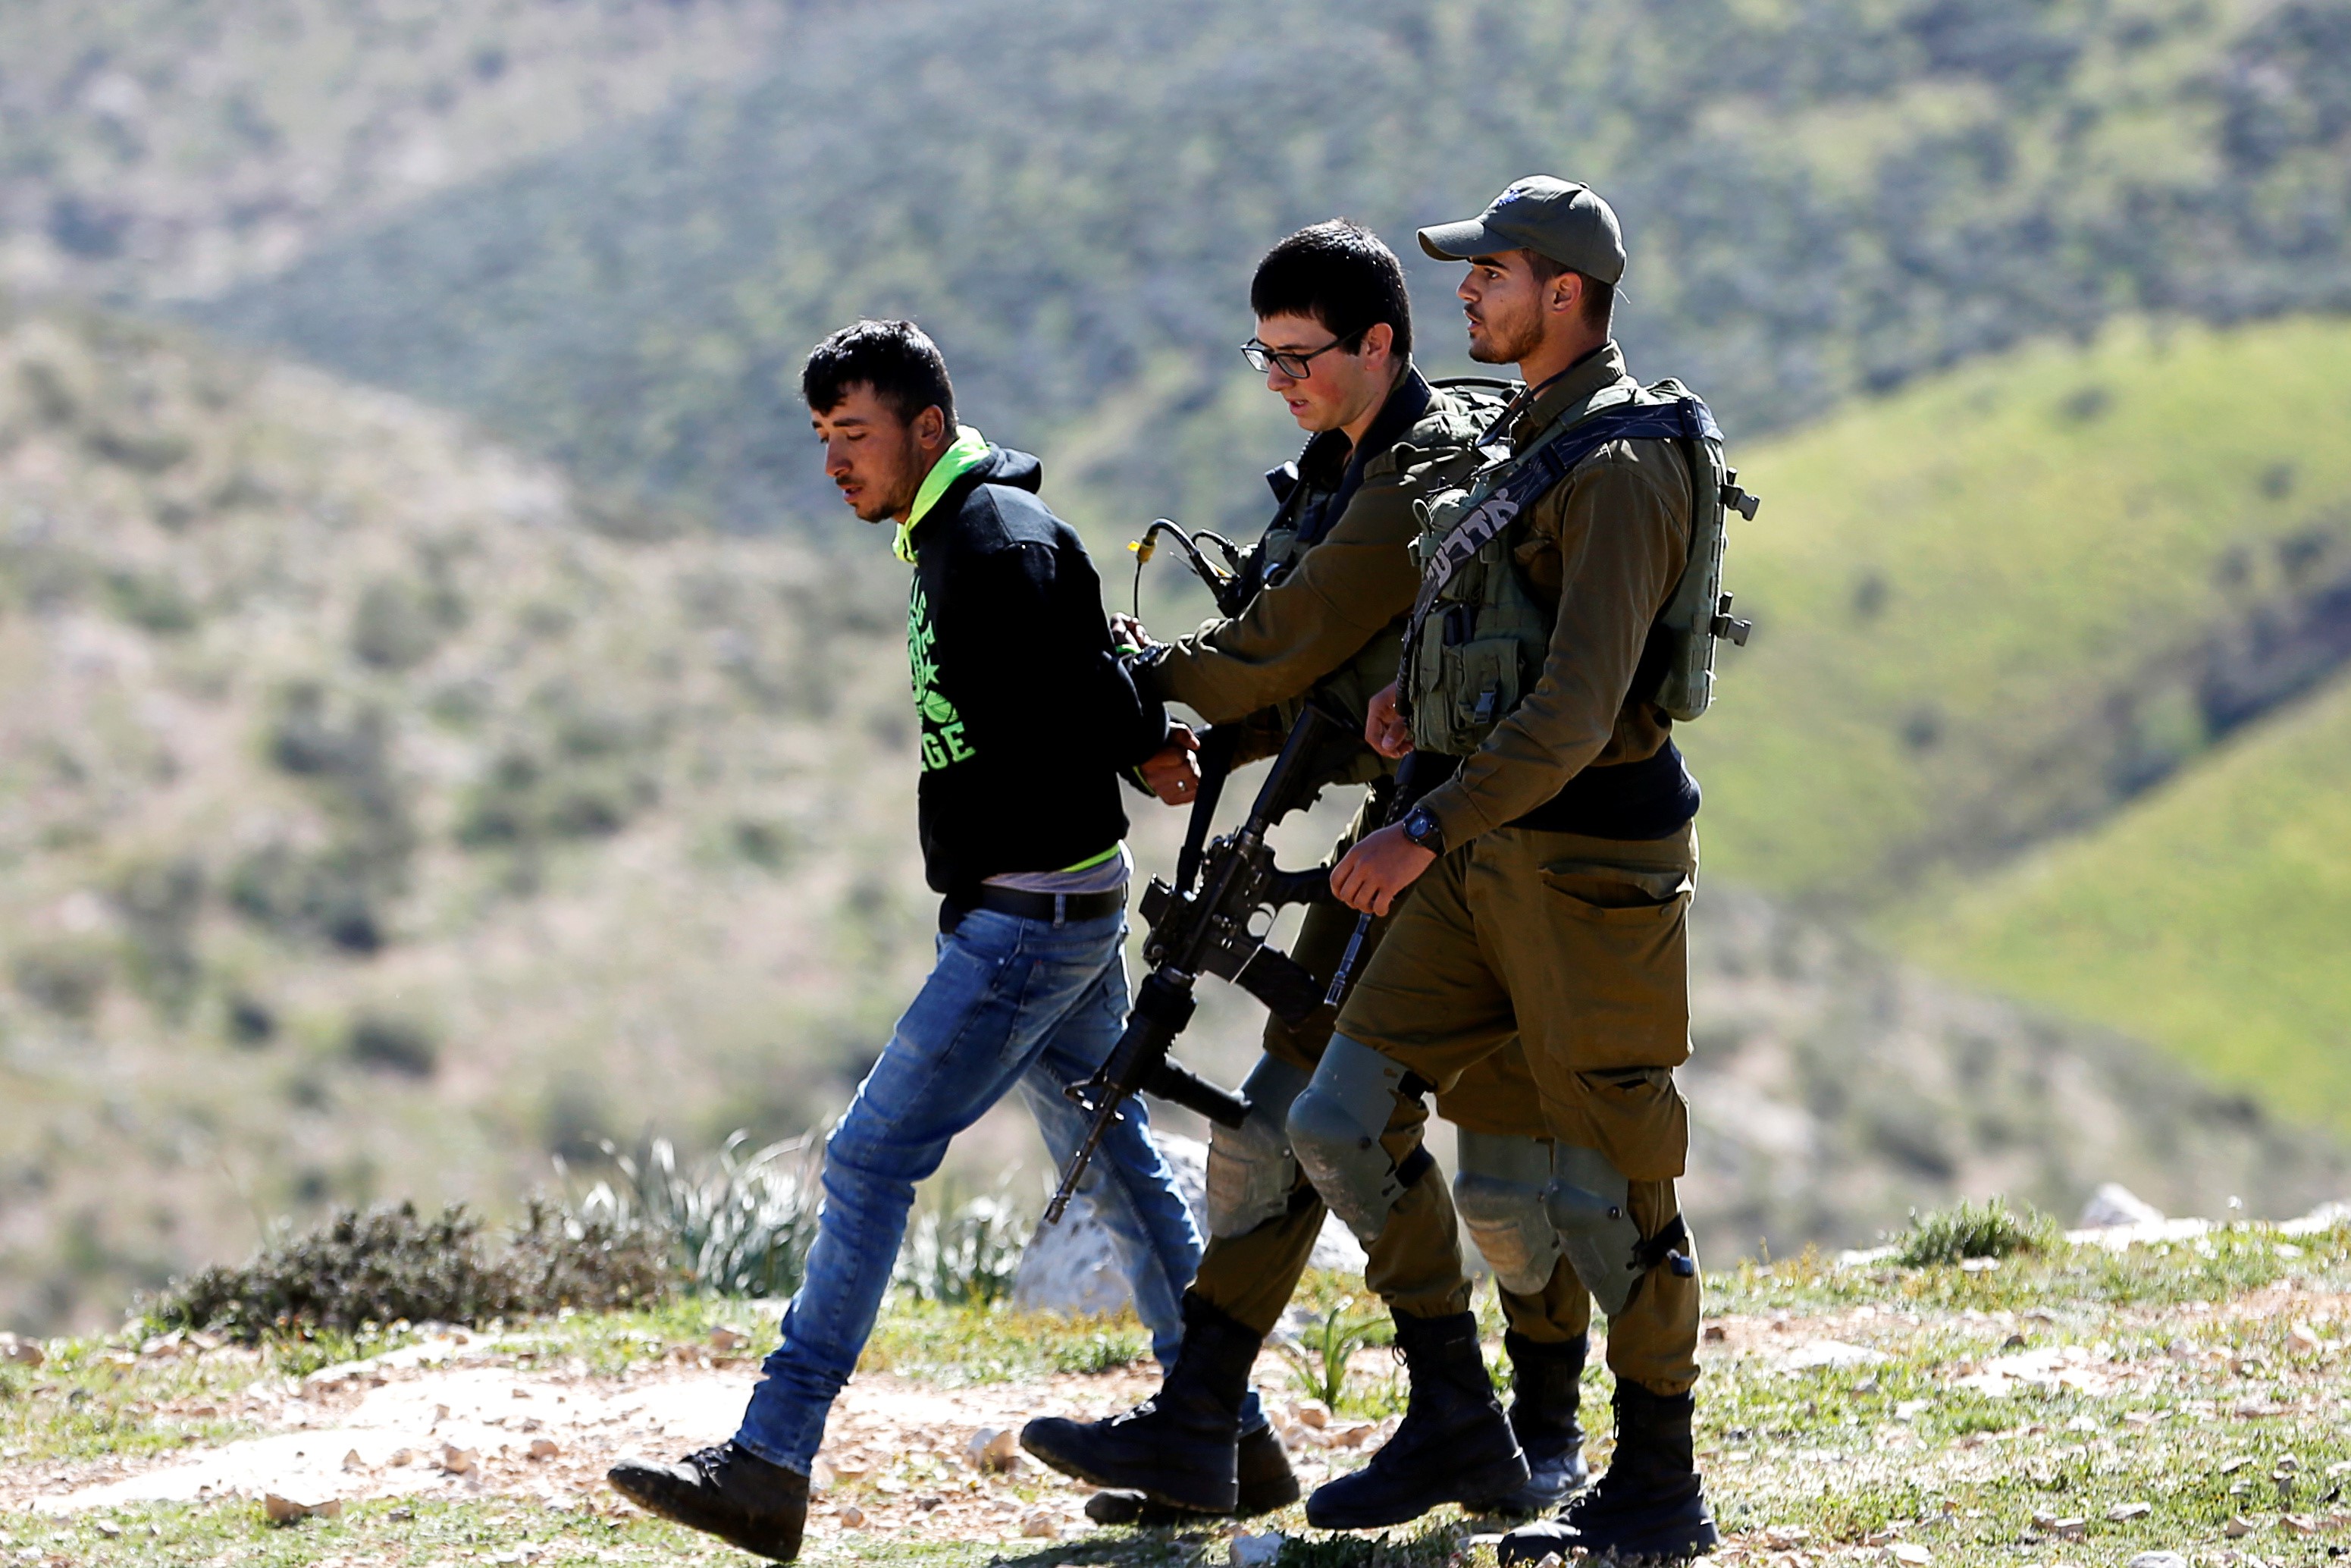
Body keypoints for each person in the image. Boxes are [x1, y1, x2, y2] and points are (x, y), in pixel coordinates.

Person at [1021, 221, 1594, 1527]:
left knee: (1483, 1168)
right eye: (1262, 356)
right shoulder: (1342, 470)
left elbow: (1276, 644)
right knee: (1281, 1119)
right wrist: (1202, 734)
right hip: (1397, 843)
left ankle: (1511, 1424)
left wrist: (1134, 693)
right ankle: (1210, 1424)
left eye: (1299, 356)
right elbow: (1319, 683)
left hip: (1482, 855)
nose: (1276, 379)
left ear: (1378, 345)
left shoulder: (1414, 476)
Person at [607, 319, 1208, 1563]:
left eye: (856, 436)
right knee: (1115, 1155)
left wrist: (1138, 731)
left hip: (1033, 916)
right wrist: (1130, 730)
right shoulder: (958, 530)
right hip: (1062, 901)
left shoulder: (989, 541)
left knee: (871, 1160)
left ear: (927, 429)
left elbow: (1078, 678)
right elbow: (1085, 676)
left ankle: (771, 1459)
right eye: (823, 438)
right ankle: (1221, 1428)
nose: (835, 461)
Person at [1281, 178, 1724, 1560]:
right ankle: (1456, 1417)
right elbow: (1507, 652)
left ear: (1566, 295)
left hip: (1586, 862)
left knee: (1604, 1188)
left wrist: (1420, 825)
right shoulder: (1523, 437)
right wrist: (1422, 714)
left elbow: (1583, 709)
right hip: (1482, 850)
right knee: (1336, 1117)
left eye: (1492, 274)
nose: (1465, 294)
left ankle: (1656, 1477)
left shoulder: (1621, 461)